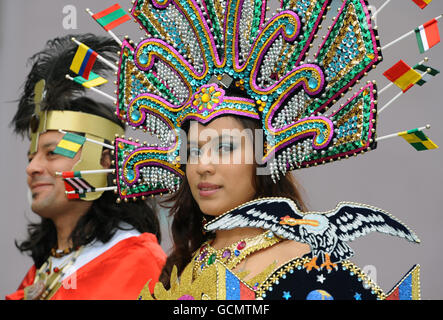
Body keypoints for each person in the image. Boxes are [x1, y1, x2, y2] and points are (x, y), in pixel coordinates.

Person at [108, 0, 424, 300]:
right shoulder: (183, 263)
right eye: (193, 150)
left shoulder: (301, 264)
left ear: (263, 158)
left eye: (225, 148)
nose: (203, 165)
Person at [6, 33, 166, 300]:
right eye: (30, 157)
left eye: (52, 153)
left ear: (104, 162)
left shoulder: (138, 261)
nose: (32, 168)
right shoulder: (41, 272)